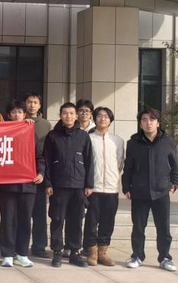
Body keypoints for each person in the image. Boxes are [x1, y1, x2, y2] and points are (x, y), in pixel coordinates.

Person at [123, 108, 178, 271]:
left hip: (161, 191)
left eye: (152, 120)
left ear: (158, 123)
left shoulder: (168, 141)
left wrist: (174, 182)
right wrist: (126, 186)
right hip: (139, 191)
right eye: (144, 120)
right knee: (138, 227)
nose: (148, 123)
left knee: (163, 228)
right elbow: (128, 167)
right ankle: (137, 256)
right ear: (140, 123)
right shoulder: (133, 143)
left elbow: (174, 164)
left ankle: (165, 258)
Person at [43, 102, 94, 268]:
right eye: (65, 113)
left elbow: (89, 161)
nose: (68, 116)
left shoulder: (83, 136)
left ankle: (74, 252)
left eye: (71, 113)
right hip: (59, 185)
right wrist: (48, 183)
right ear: (60, 115)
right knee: (57, 219)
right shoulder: (52, 136)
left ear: (76, 115)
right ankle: (57, 251)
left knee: (76, 220)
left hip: (78, 185)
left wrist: (89, 185)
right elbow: (47, 160)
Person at [0, 100, 44, 268]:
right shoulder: (2, 130)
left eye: (20, 112)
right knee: (8, 220)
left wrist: (41, 173)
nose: (17, 115)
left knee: (25, 220)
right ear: (8, 115)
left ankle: (22, 253)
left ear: (25, 114)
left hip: (28, 184)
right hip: (8, 184)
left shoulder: (30, 131)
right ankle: (7, 254)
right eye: (13, 112)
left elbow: (39, 156)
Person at [83, 107, 124, 266]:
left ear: (111, 120)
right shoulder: (88, 138)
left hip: (112, 188)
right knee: (91, 221)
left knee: (108, 221)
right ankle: (91, 252)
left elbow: (119, 162)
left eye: (106, 116)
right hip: (93, 187)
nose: (102, 119)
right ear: (94, 119)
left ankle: (103, 252)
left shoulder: (117, 140)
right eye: (99, 116)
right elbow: (85, 162)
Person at [24, 92, 53, 258]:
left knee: (39, 213)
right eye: (29, 102)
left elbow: (48, 152)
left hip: (39, 173)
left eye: (35, 102)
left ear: (40, 105)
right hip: (21, 173)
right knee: (23, 213)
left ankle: (39, 246)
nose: (32, 105)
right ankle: (20, 245)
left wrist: (45, 175)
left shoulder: (46, 125)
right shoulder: (17, 122)